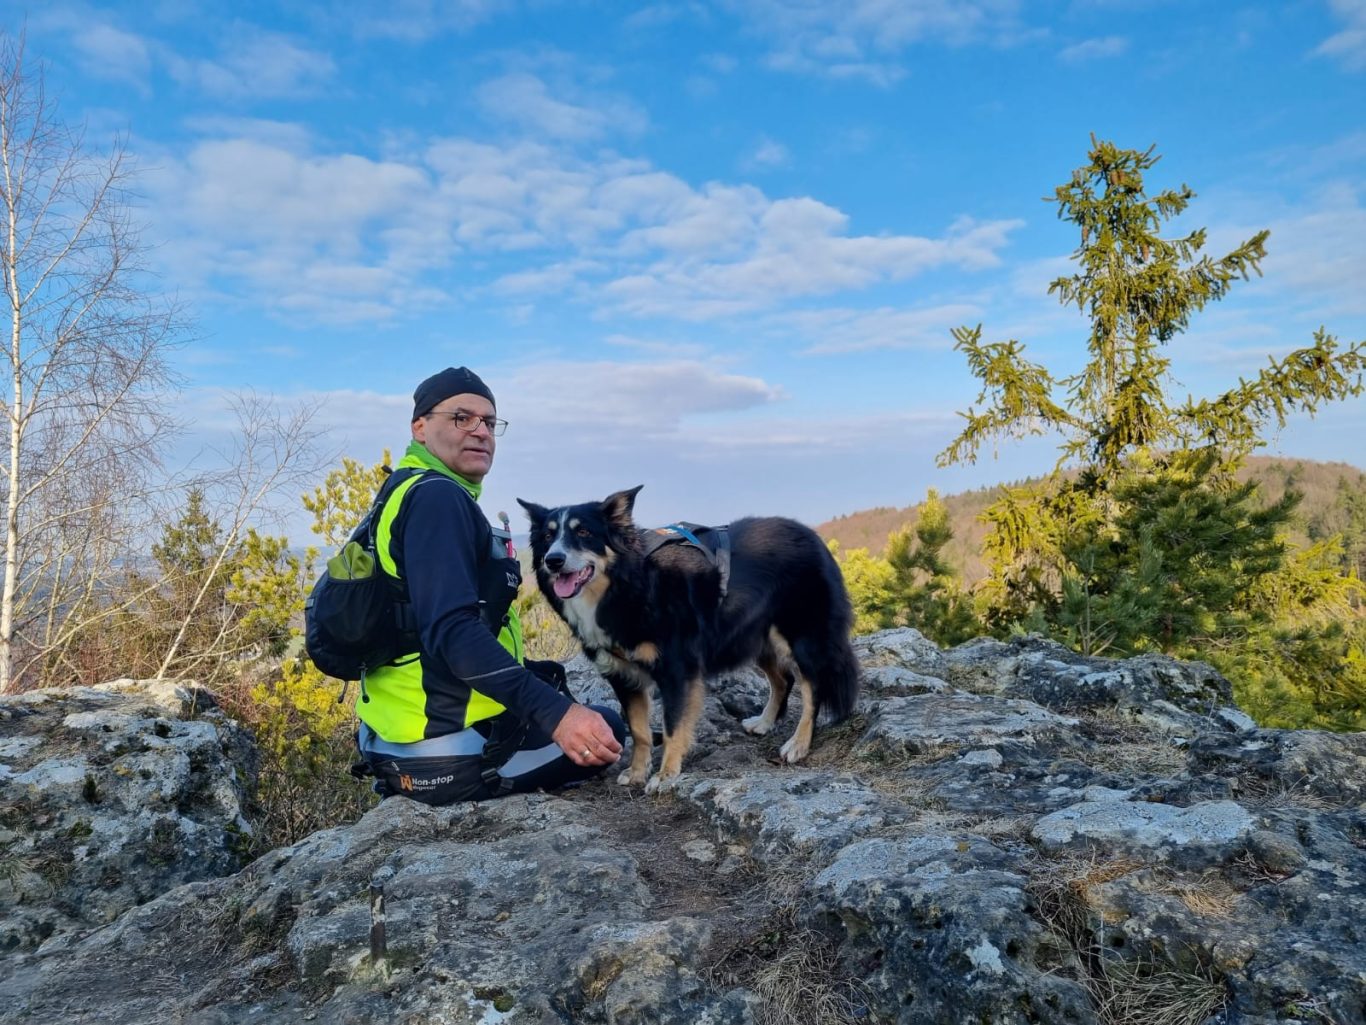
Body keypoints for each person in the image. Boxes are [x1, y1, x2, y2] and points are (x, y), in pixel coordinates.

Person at [352, 366, 624, 803]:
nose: (481, 431)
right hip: (442, 756)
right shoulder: (438, 499)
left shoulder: (401, 489)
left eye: (489, 422)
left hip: (391, 738)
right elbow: (452, 632)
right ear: (420, 427)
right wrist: (556, 714)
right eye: (462, 418)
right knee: (607, 727)